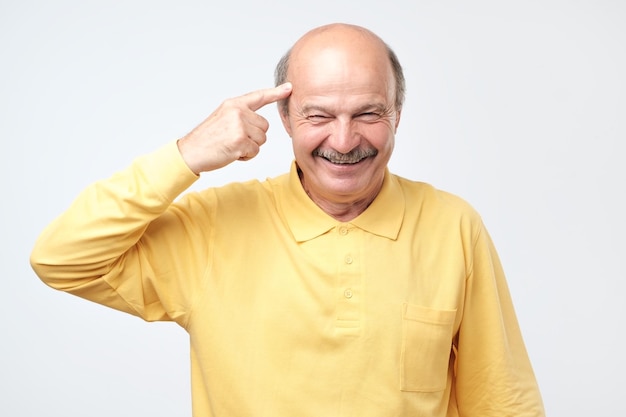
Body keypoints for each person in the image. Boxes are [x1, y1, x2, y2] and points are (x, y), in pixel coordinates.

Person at [30, 23, 545, 416]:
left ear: (397, 115)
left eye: (367, 113)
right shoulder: (213, 226)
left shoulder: (453, 225)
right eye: (318, 116)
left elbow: (500, 399)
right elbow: (61, 260)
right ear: (285, 120)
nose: (344, 141)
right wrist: (185, 155)